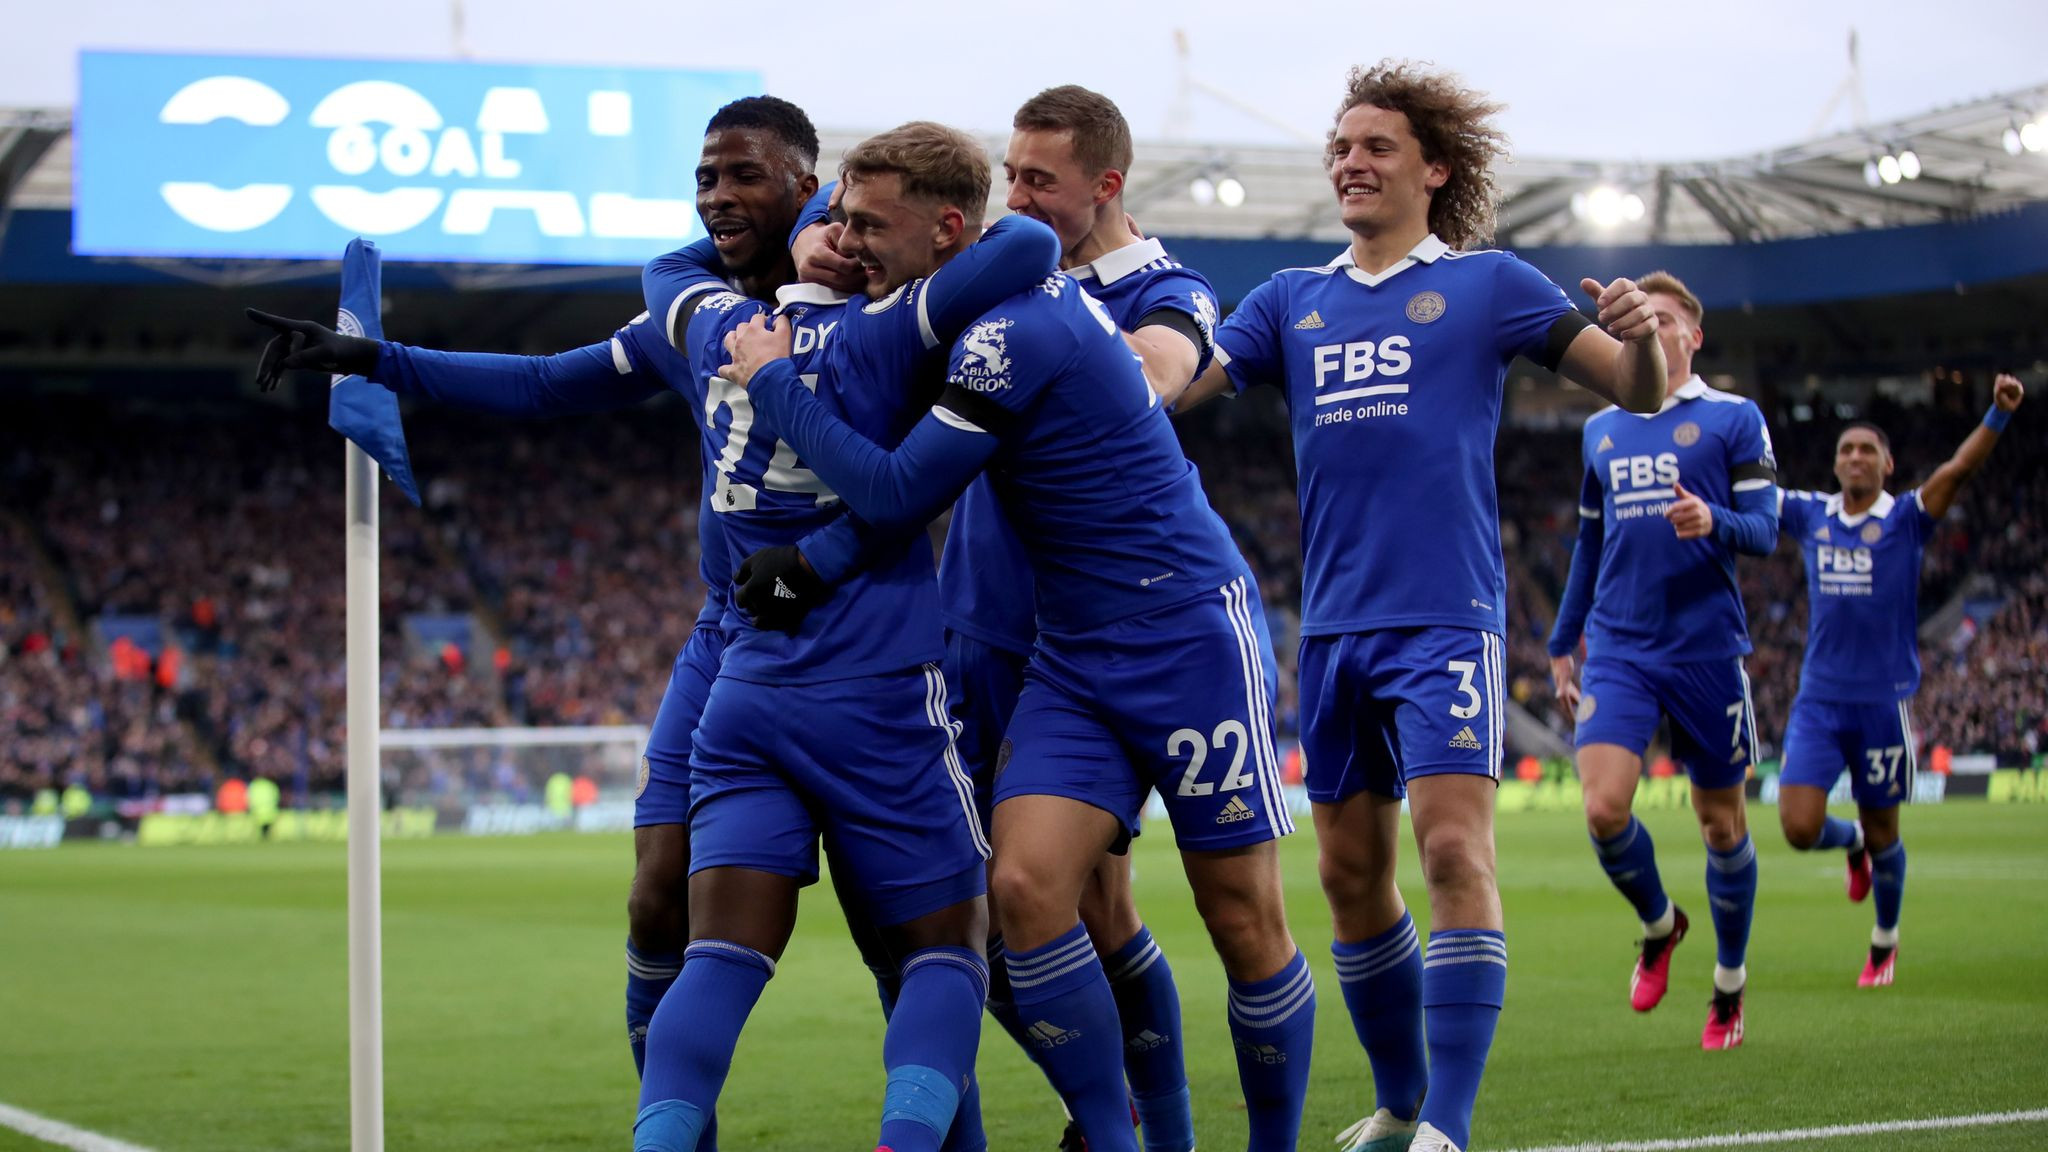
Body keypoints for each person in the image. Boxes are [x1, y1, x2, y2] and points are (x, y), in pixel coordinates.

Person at [722, 120, 1313, 1152]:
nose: (850, 241)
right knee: (1026, 891)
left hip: (1182, 630)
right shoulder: (951, 316)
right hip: (1071, 653)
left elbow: (898, 489)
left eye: (871, 225)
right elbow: (899, 498)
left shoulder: (1011, 329)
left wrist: (772, 379)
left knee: (1240, 917)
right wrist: (799, 574)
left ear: (948, 230)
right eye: (841, 222)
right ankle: (1124, 1139)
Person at [247, 95, 823, 1103]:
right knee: (655, 899)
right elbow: (545, 384)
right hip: (732, 629)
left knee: (912, 934)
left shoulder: (870, 298)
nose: (716, 197)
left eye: (743, 175)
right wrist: (376, 359)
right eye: (703, 177)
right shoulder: (688, 314)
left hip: (867, 633)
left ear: (804, 188)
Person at [1181, 60, 1666, 1152]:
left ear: (1432, 169)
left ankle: (1446, 1124)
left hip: (1445, 616)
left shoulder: (1488, 284)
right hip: (1335, 629)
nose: (1349, 160)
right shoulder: (1286, 303)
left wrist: (1641, 334)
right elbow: (1169, 392)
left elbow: (1633, 390)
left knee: (1453, 853)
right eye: (1340, 146)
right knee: (1349, 877)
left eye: (1376, 146)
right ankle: (1400, 1105)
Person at [630, 126, 1061, 1152]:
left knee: (720, 957)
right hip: (871, 691)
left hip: (746, 682)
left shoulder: (717, 326)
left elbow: (659, 273)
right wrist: (849, 240)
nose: (851, 239)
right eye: (842, 224)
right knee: (946, 951)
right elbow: (1026, 249)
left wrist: (796, 249)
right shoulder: (890, 330)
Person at [1547, 271, 1780, 1051]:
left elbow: (1766, 529)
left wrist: (1714, 519)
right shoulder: (1601, 430)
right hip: (1618, 644)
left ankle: (1729, 985)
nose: (1652, 326)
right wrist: (1560, 639)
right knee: (1604, 808)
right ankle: (1659, 924)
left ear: (1693, 335)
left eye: (1667, 317)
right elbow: (1589, 540)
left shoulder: (1733, 419)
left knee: (1722, 826)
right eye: (1640, 317)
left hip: (1707, 648)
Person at [1775, 374, 2026, 986]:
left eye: (1867, 449)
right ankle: (1850, 843)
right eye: (1846, 449)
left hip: (1882, 707)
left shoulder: (1907, 519)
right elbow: (1752, 494)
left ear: (1888, 464)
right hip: (1818, 703)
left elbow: (1959, 469)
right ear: (1835, 466)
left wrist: (1996, 413)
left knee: (1889, 832)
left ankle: (1884, 940)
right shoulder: (1811, 515)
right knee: (1799, 828)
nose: (1855, 456)